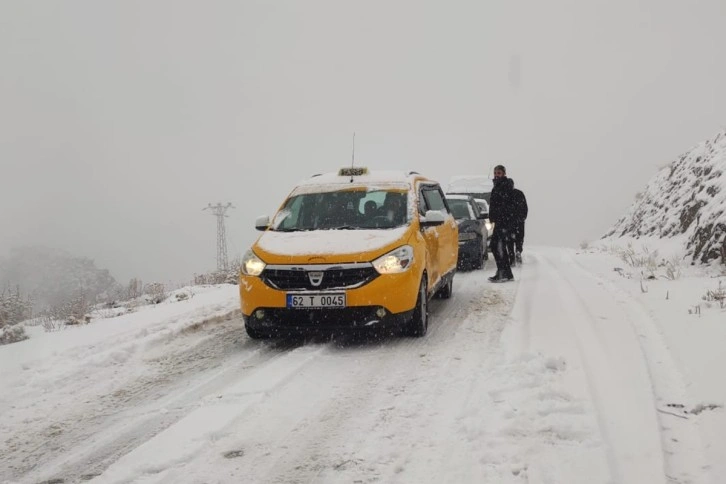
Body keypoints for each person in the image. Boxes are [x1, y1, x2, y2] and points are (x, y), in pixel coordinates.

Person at [487, 164, 516, 282]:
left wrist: (502, 218)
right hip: (499, 222)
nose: (496, 175)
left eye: (498, 173)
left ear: (504, 174)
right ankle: (507, 273)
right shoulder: (498, 186)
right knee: (500, 247)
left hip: (503, 222)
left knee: (496, 246)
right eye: (495, 173)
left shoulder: (504, 186)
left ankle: (502, 272)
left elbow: (507, 205)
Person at [507, 182, 528, 266]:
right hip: (519, 221)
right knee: (519, 238)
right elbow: (525, 207)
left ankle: (511, 257)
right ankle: (518, 251)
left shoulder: (505, 195)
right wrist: (522, 218)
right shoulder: (519, 193)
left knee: (510, 240)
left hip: (509, 222)